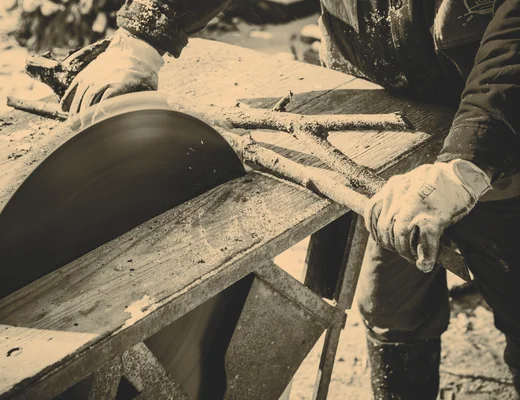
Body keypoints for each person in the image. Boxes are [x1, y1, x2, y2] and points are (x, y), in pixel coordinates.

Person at [60, 1, 520, 398]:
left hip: (501, 129)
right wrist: (144, 34)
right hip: (387, 126)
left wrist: (469, 160)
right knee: (390, 308)